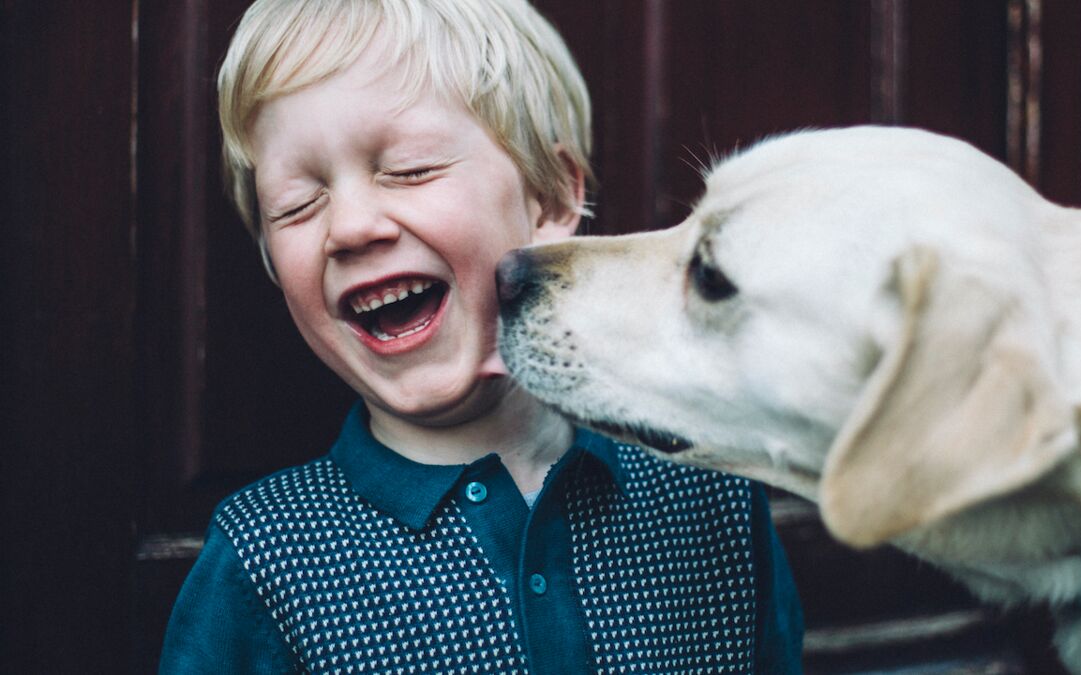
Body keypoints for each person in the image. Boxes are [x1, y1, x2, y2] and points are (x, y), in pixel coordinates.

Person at [159, 0, 804, 672]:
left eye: (408, 169)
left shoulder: (707, 490)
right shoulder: (263, 560)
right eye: (297, 205)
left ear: (551, 199)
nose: (349, 227)